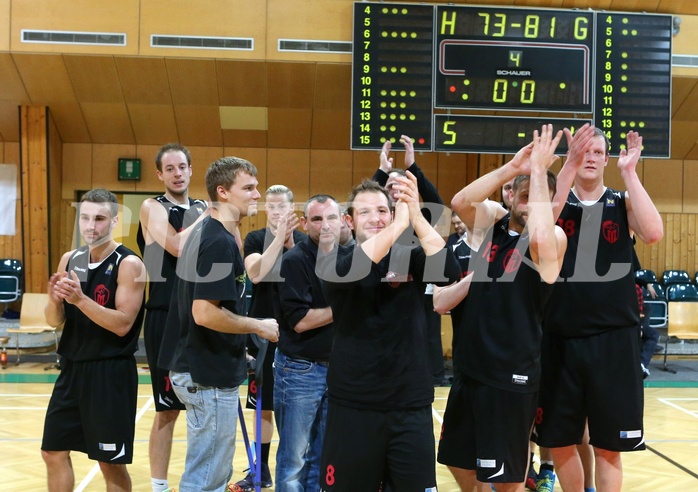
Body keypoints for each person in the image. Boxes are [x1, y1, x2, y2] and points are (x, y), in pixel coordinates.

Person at [437, 125, 568, 492]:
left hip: (510, 374)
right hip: (470, 367)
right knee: (457, 460)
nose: (527, 201)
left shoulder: (552, 237)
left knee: (506, 479)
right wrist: (514, 168)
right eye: (520, 196)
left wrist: (539, 173)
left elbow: (542, 236)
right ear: (509, 198)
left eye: (536, 196)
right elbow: (460, 202)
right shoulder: (492, 224)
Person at [535, 129, 664, 492]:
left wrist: (630, 173)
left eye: (597, 151)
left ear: (607, 159)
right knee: (559, 440)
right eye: (583, 150)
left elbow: (654, 232)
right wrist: (568, 166)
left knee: (609, 445)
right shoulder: (559, 199)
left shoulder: (621, 202)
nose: (590, 156)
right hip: (560, 337)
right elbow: (540, 228)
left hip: (614, 340)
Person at [317, 175, 460, 490]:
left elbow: (450, 272)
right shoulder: (334, 262)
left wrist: (417, 217)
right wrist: (397, 224)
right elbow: (357, 270)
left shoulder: (410, 257)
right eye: (365, 212)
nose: (375, 218)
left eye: (383, 211)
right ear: (349, 221)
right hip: (355, 406)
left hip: (410, 405)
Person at [159, 156, 280, 492]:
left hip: (208, 366)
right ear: (223, 192)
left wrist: (238, 352)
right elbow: (204, 313)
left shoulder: (216, 236)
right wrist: (256, 325)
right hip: (205, 374)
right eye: (249, 188)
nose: (257, 194)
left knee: (213, 472)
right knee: (207, 478)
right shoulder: (217, 242)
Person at [41, 188, 146, 492]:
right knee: (52, 451)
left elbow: (124, 325)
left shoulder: (130, 264)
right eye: (85, 218)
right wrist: (55, 301)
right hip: (72, 368)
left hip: (110, 373)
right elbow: (54, 320)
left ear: (114, 221)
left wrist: (80, 300)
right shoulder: (69, 259)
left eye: (99, 218)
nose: (90, 225)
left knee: (110, 462)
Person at [137, 143, 208, 492]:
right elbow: (178, 249)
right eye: (170, 168)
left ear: (192, 170)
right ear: (160, 174)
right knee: (168, 410)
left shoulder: (201, 207)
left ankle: (199, 480)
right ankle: (160, 486)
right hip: (165, 315)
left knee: (203, 405)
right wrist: (210, 215)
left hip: (200, 313)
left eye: (183, 167)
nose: (178, 173)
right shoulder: (152, 207)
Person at [233, 184, 303, 491]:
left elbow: (311, 274)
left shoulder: (303, 240)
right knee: (262, 406)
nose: (276, 212)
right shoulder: (254, 239)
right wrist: (277, 240)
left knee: (298, 406)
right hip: (262, 334)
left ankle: (296, 469)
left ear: (291, 209)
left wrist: (289, 244)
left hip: (298, 333)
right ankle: (259, 471)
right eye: (271, 207)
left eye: (282, 207)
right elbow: (255, 274)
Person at [274, 194, 342, 492]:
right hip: (300, 371)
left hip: (337, 371)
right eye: (316, 218)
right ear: (304, 223)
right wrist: (346, 306)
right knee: (294, 460)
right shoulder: (294, 261)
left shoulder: (348, 258)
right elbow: (300, 321)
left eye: (331, 217)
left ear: (342, 221)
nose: (324, 225)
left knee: (322, 456)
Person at [373, 135, 449, 386]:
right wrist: (382, 172)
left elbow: (437, 205)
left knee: (422, 334)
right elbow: (362, 202)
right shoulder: (376, 218)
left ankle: (431, 376)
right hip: (379, 287)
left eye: (400, 184)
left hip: (413, 286)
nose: (394, 189)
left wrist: (412, 168)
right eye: (389, 186)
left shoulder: (418, 217)